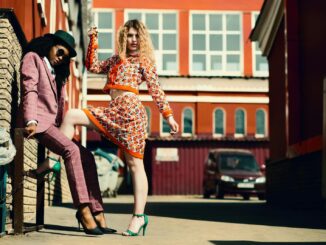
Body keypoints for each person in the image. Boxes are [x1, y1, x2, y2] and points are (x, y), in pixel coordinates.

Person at [59, 19, 179, 236]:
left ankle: (138, 217)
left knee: (135, 165)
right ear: (124, 37)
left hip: (132, 114)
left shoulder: (144, 62)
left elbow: (156, 90)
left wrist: (168, 116)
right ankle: (54, 161)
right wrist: (93, 40)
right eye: (129, 36)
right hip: (113, 111)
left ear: (141, 38)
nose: (133, 40)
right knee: (72, 115)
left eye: (136, 36)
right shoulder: (116, 59)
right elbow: (92, 66)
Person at [21, 30, 116, 235]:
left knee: (88, 156)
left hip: (52, 126)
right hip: (37, 123)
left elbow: (60, 105)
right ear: (51, 44)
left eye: (65, 57)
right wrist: (30, 120)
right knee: (71, 151)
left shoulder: (58, 74)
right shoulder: (33, 58)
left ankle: (97, 211)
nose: (61, 57)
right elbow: (30, 88)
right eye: (60, 51)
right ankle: (82, 209)